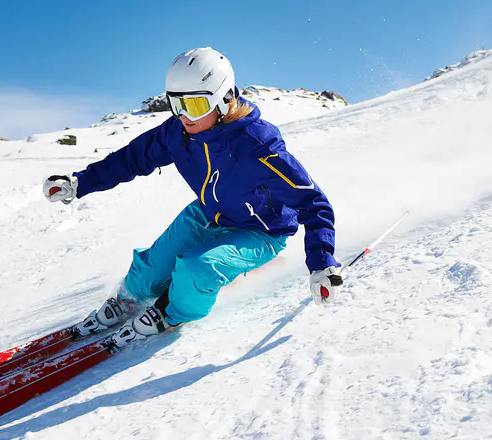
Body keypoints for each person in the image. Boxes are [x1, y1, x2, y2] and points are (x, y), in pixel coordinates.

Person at [43, 47, 343, 347]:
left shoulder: (256, 144)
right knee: (149, 272)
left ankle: (172, 314)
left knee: (196, 269)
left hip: (261, 231)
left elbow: (312, 202)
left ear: (224, 99)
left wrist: (321, 262)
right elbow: (132, 159)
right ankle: (127, 301)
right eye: (177, 104)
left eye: (197, 105)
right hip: (208, 214)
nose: (185, 116)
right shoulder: (179, 132)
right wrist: (79, 183)